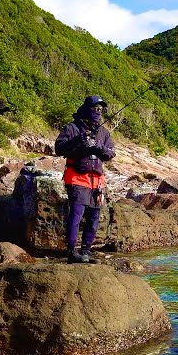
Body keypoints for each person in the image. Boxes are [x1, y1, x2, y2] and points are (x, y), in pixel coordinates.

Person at [54, 95, 115, 263]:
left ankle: (86, 252)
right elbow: (59, 148)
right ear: (88, 108)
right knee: (76, 215)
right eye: (96, 108)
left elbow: (111, 153)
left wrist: (98, 146)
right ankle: (72, 252)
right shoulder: (72, 128)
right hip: (77, 177)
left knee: (94, 216)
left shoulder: (103, 132)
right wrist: (78, 141)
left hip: (97, 181)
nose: (98, 112)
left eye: (101, 109)